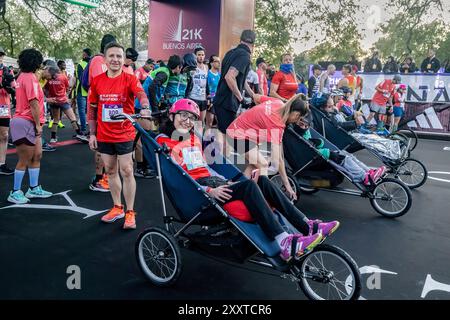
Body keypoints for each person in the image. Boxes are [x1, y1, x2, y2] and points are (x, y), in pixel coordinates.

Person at [157, 98, 341, 261]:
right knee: (249, 186)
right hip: (202, 192)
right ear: (172, 115)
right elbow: (180, 178)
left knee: (262, 180)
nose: (187, 121)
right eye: (182, 115)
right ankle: (283, 240)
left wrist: (225, 181)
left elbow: (206, 167)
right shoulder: (165, 143)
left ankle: (306, 225)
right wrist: (209, 191)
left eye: (192, 118)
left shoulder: (194, 139)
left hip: (215, 182)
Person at [88, 42, 151, 230]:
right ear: (105, 59)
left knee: (127, 170)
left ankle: (130, 212)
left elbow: (141, 93)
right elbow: (91, 110)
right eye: (112, 56)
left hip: (124, 133)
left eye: (119, 56)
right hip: (104, 134)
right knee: (110, 170)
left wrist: (146, 106)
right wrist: (92, 133)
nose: (115, 59)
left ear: (123, 60)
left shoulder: (130, 78)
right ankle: (117, 207)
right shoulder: (97, 80)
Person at [226, 94, 310, 201]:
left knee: (256, 164)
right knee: (263, 164)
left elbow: (256, 97)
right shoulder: (277, 124)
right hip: (237, 135)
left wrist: (257, 119)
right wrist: (287, 185)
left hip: (242, 130)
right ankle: (260, 197)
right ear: (296, 114)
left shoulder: (278, 102)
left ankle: (234, 189)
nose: (296, 122)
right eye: (299, 119)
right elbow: (279, 159)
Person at [7, 48, 53, 204]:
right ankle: (15, 192)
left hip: (25, 121)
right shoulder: (31, 78)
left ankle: (34, 188)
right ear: (36, 62)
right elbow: (33, 103)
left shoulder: (21, 77)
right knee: (24, 159)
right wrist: (39, 124)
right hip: (26, 121)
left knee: (37, 155)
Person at [293, 114, 386, 186]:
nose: (305, 127)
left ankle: (368, 172)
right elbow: (306, 150)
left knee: (347, 155)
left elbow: (309, 145)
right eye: (302, 125)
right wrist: (326, 152)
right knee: (343, 159)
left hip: (318, 159)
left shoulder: (304, 130)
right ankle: (365, 177)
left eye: (306, 126)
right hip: (314, 163)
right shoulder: (296, 133)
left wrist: (318, 142)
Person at [85, 34, 117, 193]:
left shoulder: (106, 61)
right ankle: (98, 179)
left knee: (106, 141)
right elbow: (99, 83)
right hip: (98, 105)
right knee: (99, 141)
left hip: (107, 105)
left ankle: (103, 176)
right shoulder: (98, 60)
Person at [214, 29, 256, 139]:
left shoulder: (230, 53)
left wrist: (253, 96)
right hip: (226, 102)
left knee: (224, 135)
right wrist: (241, 98)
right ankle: (220, 156)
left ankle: (219, 155)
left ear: (241, 39)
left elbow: (240, 80)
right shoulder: (245, 56)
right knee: (228, 138)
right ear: (253, 44)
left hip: (221, 100)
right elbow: (229, 77)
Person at [43, 62, 88, 143]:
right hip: (63, 100)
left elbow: (45, 89)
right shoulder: (63, 77)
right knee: (72, 118)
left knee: (56, 120)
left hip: (53, 101)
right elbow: (68, 88)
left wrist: (48, 98)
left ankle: (53, 138)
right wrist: (66, 95)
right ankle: (80, 134)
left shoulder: (48, 80)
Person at [0, 46, 15, 175]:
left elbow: (15, 90)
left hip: (3, 106)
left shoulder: (7, 71)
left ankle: (2, 164)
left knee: (4, 135)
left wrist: (8, 87)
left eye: (1, 55)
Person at [188, 46, 209, 124]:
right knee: (192, 121)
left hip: (203, 98)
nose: (201, 57)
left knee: (200, 122)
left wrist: (208, 96)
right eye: (199, 55)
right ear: (195, 55)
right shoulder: (192, 67)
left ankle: (198, 136)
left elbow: (206, 83)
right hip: (193, 97)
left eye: (202, 55)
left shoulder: (206, 67)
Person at [75, 48, 91, 135]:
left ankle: (84, 130)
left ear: (84, 54)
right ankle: (92, 130)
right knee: (90, 111)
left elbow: (80, 78)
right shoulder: (92, 63)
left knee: (81, 111)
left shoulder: (80, 64)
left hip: (81, 91)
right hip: (90, 91)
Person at [206, 54, 221, 131]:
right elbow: (207, 88)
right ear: (211, 63)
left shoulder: (220, 75)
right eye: (216, 61)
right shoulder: (208, 74)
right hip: (210, 101)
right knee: (209, 122)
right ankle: (206, 141)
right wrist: (210, 99)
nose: (218, 63)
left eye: (219, 61)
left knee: (221, 123)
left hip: (219, 101)